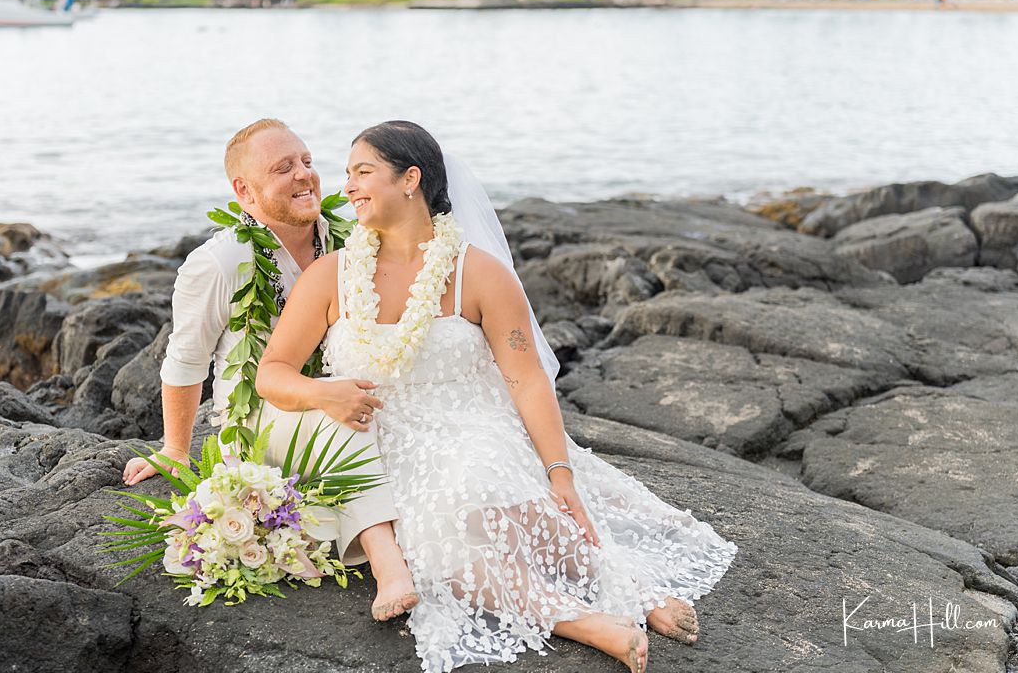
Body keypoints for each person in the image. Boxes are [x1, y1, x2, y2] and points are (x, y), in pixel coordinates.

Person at [256, 120, 738, 673]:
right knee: (441, 536)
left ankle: (628, 585)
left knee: (493, 483)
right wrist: (323, 394)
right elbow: (272, 373)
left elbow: (526, 378)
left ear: (410, 179)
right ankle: (583, 622)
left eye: (362, 173)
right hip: (378, 439)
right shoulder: (330, 276)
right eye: (347, 175)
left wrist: (559, 470)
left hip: (472, 422)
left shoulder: (478, 274)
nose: (347, 188)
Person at [121, 118, 419, 621]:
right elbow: (186, 360)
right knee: (344, 416)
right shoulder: (219, 262)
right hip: (258, 418)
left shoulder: (351, 239)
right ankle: (388, 564)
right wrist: (175, 450)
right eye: (283, 169)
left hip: (348, 385)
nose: (304, 176)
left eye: (306, 162)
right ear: (245, 191)